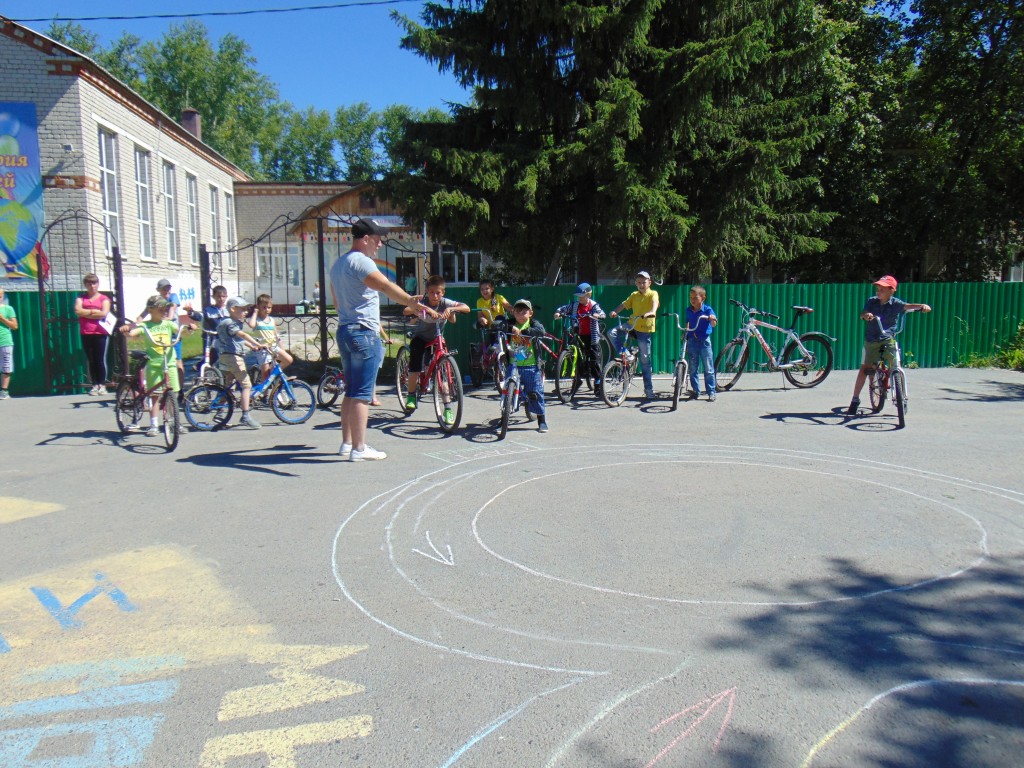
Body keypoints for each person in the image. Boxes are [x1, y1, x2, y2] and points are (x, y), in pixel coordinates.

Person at [330, 217, 436, 462]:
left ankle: (347, 443)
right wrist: (410, 300)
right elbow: (385, 286)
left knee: (351, 390)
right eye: (378, 240)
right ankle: (359, 448)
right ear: (366, 239)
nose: (380, 244)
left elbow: (336, 302)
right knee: (362, 393)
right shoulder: (361, 261)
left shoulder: (339, 264)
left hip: (345, 329)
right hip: (363, 333)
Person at [846, 275, 932, 415]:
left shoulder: (895, 304)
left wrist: (922, 306)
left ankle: (901, 395)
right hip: (871, 340)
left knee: (896, 363)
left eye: (882, 289)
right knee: (865, 368)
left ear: (891, 291)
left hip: (888, 339)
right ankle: (855, 399)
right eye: (878, 289)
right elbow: (863, 313)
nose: (878, 291)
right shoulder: (872, 301)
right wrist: (866, 315)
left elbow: (907, 306)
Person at [402, 274, 471, 423]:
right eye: (431, 292)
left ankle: (447, 409)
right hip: (421, 338)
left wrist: (451, 309)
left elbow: (467, 308)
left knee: (443, 371)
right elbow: (406, 310)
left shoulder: (445, 302)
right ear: (427, 291)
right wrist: (424, 309)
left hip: (437, 339)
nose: (434, 296)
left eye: (438, 293)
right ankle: (411, 395)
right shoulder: (423, 301)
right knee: (415, 366)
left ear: (443, 293)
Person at [119, 296, 188, 436]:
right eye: (161, 309)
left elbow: (181, 332)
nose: (165, 311)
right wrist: (127, 330)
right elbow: (133, 333)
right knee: (155, 395)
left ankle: (175, 422)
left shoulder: (168, 324)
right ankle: (154, 424)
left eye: (166, 308)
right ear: (150, 310)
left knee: (173, 393)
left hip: (170, 363)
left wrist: (189, 328)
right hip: (155, 364)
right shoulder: (145, 326)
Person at [495, 298, 549, 433]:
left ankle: (541, 420)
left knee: (536, 392)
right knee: (507, 392)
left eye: (524, 312)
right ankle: (504, 418)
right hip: (513, 365)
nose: (520, 314)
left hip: (531, 366)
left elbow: (541, 331)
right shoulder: (510, 323)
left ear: (530, 313)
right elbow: (497, 325)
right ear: (513, 312)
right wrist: (510, 328)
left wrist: (524, 332)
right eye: (517, 311)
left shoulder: (533, 324)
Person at [216, 297, 267, 429]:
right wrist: (259, 344)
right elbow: (243, 335)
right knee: (246, 385)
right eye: (243, 309)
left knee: (229, 385)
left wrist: (253, 347)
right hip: (233, 357)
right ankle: (245, 416)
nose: (246, 312)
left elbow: (239, 340)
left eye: (246, 309)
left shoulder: (230, 322)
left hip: (226, 356)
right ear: (233, 309)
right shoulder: (230, 323)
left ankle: (220, 411)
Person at [609, 271, 660, 399]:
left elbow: (655, 303)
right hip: (632, 325)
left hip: (645, 329)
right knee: (612, 332)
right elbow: (624, 305)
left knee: (645, 360)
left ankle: (649, 390)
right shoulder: (634, 295)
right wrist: (615, 311)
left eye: (644, 282)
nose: (641, 285)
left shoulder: (653, 293)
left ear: (649, 283)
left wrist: (652, 312)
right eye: (639, 283)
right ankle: (627, 354)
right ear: (636, 284)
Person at [553, 282, 607, 396]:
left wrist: (597, 315)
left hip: (591, 335)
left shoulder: (593, 305)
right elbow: (563, 308)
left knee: (594, 359)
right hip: (579, 334)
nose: (580, 298)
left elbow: (602, 314)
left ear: (589, 295)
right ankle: (577, 379)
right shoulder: (574, 305)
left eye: (582, 296)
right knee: (575, 357)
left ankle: (598, 381)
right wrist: (558, 313)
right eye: (578, 296)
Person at [74, 274, 112, 396]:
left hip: (100, 332)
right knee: (91, 360)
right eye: (89, 283)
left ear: (98, 284)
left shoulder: (104, 299)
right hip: (86, 332)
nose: (92, 286)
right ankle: (94, 385)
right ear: (85, 285)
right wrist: (93, 311)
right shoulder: (81, 298)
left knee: (100, 359)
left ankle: (102, 385)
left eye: (94, 283)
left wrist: (86, 313)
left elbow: (104, 313)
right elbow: (77, 311)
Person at [246, 294, 293, 381]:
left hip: (273, 347)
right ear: (258, 307)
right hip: (263, 350)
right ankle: (265, 389)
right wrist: (255, 312)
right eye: (264, 307)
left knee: (288, 359)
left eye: (269, 307)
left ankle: (273, 372)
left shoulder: (271, 320)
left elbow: (276, 335)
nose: (267, 310)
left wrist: (282, 348)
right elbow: (251, 325)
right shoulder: (257, 320)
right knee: (265, 375)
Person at [684, 285, 718, 401]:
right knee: (693, 368)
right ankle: (696, 391)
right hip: (692, 341)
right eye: (690, 298)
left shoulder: (707, 310)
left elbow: (714, 324)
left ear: (703, 298)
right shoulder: (688, 310)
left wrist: (712, 319)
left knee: (708, 368)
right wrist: (685, 332)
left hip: (704, 342)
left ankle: (711, 392)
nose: (692, 300)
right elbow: (688, 322)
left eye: (695, 298)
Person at [0, 287, 18, 400]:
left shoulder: (8, 309)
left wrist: (2, 319)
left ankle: (4, 391)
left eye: (0, 296)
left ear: (2, 297)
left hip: (5, 341)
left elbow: (15, 326)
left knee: (6, 366)